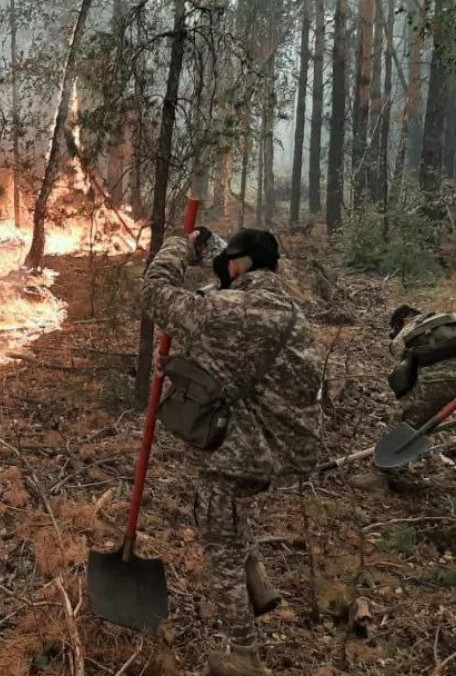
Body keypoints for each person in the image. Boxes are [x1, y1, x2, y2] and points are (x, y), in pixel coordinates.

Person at [143, 228, 322, 676]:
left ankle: (244, 657)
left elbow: (154, 292)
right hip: (281, 447)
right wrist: (179, 369)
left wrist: (180, 245)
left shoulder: (232, 309)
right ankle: (259, 585)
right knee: (231, 517)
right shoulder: (289, 312)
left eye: (230, 263)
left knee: (218, 547)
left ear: (241, 264)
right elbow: (235, 376)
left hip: (243, 452)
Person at [349, 306, 456, 503]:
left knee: (407, 424)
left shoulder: (406, 331)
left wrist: (413, 406)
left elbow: (406, 372)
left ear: (403, 321)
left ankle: (380, 475)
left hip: (437, 379)